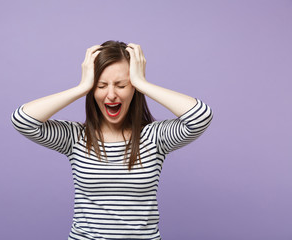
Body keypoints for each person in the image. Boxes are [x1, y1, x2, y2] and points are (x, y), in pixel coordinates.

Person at [11, 40, 213, 240]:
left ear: (133, 88)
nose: (111, 95)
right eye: (101, 85)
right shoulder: (75, 138)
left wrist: (142, 83)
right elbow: (22, 119)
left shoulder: (154, 137)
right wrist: (82, 88)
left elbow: (200, 116)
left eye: (121, 85)